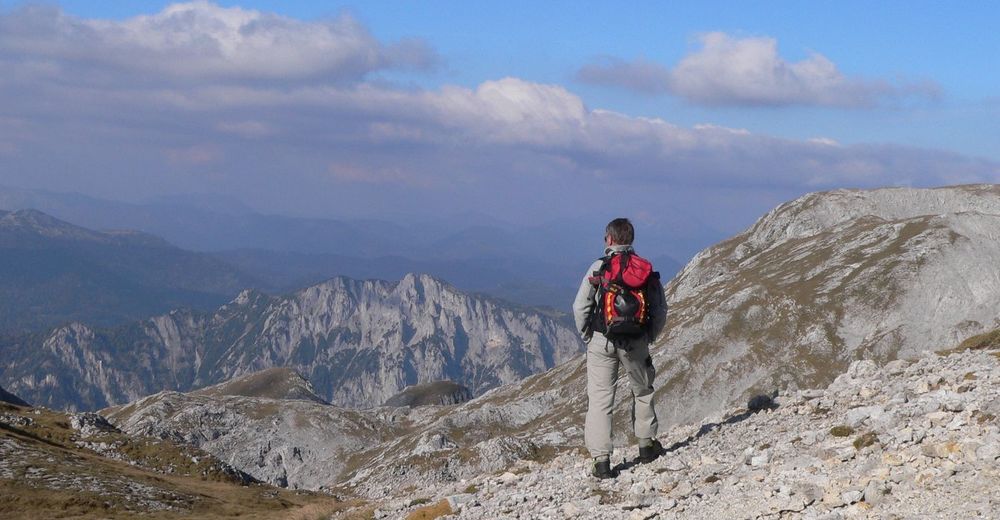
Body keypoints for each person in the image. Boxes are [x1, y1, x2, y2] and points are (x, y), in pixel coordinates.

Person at [572, 218, 668, 479]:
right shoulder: (644, 269)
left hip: (602, 341)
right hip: (636, 341)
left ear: (610, 240)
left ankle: (601, 462)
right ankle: (647, 447)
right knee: (643, 391)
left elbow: (580, 307)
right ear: (631, 239)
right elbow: (659, 309)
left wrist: (587, 336)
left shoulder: (599, 267)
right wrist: (650, 335)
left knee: (601, 400)